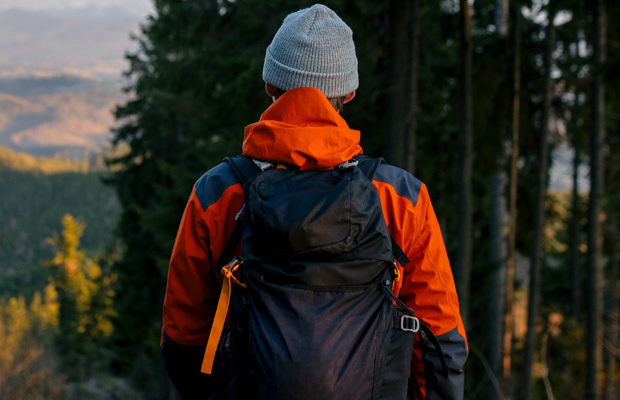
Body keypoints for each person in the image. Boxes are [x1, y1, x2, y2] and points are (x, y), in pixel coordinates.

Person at [161, 4, 467, 399]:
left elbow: (183, 334)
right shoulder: (399, 197)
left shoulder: (218, 193)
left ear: (271, 86)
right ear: (350, 93)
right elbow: (439, 339)